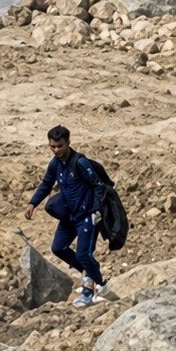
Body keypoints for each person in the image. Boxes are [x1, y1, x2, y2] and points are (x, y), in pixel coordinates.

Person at [25, 125, 109, 307]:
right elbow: (46, 184)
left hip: (86, 215)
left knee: (84, 254)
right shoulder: (55, 164)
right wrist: (33, 203)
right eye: (53, 146)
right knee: (58, 247)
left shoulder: (80, 163)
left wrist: (96, 210)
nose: (56, 150)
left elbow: (98, 186)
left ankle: (94, 289)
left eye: (60, 146)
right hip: (69, 217)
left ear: (68, 142)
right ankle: (89, 273)